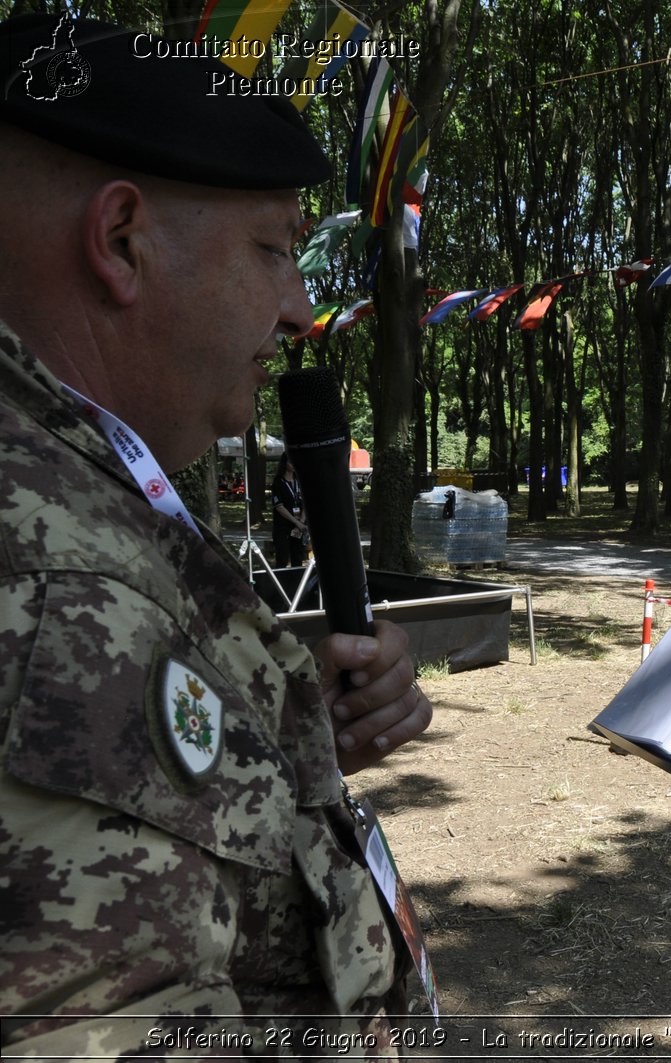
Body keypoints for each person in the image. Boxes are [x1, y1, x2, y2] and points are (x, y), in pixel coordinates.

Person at [0, 14, 432, 1052]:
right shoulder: (52, 575)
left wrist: (280, 740)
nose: (298, 308)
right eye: (274, 250)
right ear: (120, 240)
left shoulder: (69, 475)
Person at [271, 454, 309, 568]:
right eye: (290, 462)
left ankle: (297, 583)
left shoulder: (300, 481)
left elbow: (306, 503)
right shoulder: (278, 482)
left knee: (297, 559)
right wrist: (296, 522)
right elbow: (279, 507)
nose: (293, 464)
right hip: (283, 527)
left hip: (299, 527)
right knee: (282, 559)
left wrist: (301, 522)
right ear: (285, 463)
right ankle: (281, 583)